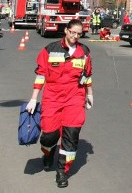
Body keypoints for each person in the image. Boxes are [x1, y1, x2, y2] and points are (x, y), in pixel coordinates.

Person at [25, 19, 93, 188]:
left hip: (75, 98)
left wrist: (90, 94)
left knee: (71, 136)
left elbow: (87, 76)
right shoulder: (50, 50)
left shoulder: (84, 51)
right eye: (73, 32)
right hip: (52, 98)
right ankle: (48, 152)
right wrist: (34, 98)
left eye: (79, 34)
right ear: (66, 31)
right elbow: (41, 75)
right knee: (49, 134)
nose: (75, 36)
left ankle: (62, 171)